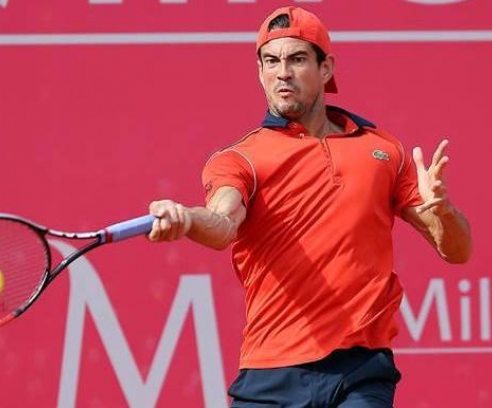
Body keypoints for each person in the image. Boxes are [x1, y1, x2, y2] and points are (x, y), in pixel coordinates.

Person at [147, 6, 472, 408]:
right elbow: (221, 223)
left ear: (326, 67)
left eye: (297, 59)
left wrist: (442, 211)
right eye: (271, 61)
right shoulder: (239, 159)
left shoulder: (384, 151)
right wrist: (187, 219)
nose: (282, 72)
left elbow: (456, 251)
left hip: (360, 370)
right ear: (260, 71)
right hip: (272, 372)